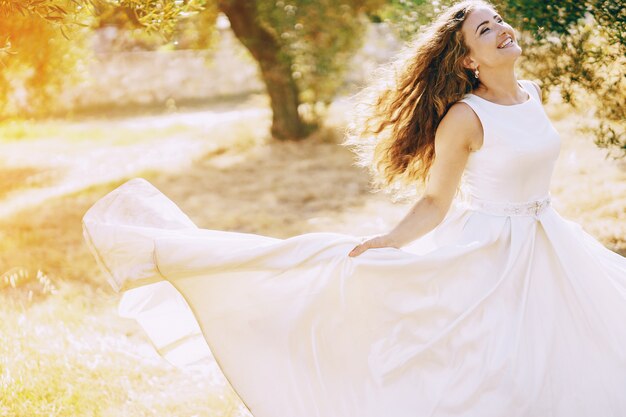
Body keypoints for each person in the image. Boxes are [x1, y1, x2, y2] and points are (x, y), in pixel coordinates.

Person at [82, 1, 626, 416]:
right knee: (484, 364)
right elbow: (437, 200)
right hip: (489, 251)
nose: (502, 29)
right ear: (466, 59)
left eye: (499, 20)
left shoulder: (530, 92)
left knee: (572, 346)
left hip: (549, 239)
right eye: (485, 29)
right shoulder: (464, 117)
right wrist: (390, 241)